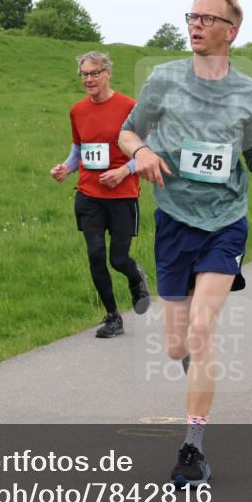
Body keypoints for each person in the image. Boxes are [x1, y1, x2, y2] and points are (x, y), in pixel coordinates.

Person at [118, 0, 252, 487]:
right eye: (191, 16)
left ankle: (192, 450)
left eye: (206, 19)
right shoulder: (164, 79)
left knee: (201, 329)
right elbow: (129, 131)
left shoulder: (248, 91)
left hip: (224, 222)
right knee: (177, 347)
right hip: (174, 220)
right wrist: (140, 154)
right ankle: (198, 371)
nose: (195, 25)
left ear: (230, 31)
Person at [50, 51, 150, 339]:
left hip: (122, 195)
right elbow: (79, 149)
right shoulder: (77, 110)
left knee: (118, 259)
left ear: (108, 74)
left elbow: (146, 149)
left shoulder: (130, 107)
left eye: (94, 73)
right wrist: (65, 168)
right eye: (84, 74)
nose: (89, 79)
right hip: (88, 194)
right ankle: (113, 317)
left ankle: (136, 278)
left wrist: (124, 171)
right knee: (95, 255)